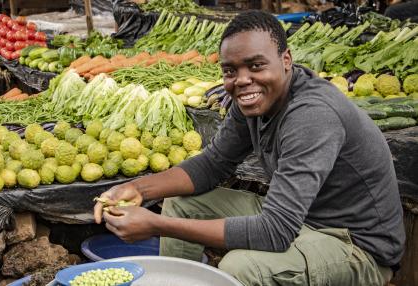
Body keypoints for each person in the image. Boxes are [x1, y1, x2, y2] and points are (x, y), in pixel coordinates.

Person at [93, 10, 405, 286]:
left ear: (286, 60)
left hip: (355, 246)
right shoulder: (255, 102)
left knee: (239, 268)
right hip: (299, 219)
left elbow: (275, 231)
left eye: (255, 65)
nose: (242, 80)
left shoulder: (312, 115)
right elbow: (213, 164)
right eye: (230, 70)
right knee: (180, 202)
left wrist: (156, 225)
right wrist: (137, 188)